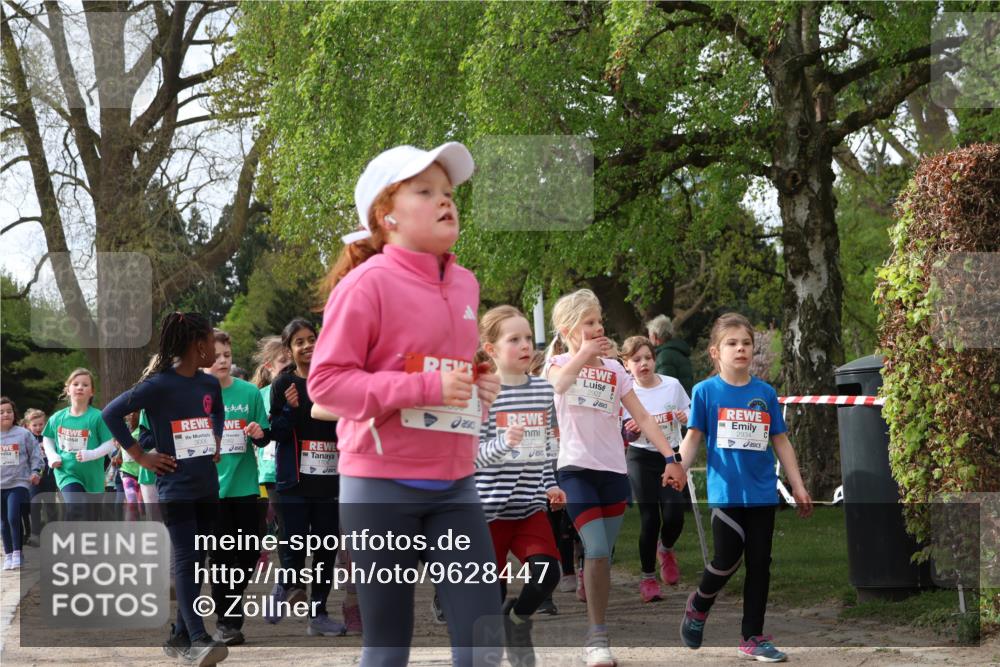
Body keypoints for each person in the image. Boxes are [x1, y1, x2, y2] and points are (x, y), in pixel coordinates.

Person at [307, 142, 504, 667]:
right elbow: (325, 385)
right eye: (425, 191)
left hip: (456, 484)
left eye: (448, 192)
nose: (445, 201)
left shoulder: (465, 283)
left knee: (484, 642)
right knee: (389, 648)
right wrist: (422, 390)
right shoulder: (364, 285)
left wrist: (478, 383)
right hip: (379, 486)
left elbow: (444, 369)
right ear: (386, 215)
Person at [544, 289, 686, 667]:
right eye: (589, 321)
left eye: (599, 320)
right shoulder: (557, 363)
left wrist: (671, 458)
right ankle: (597, 637)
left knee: (603, 554)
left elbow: (642, 418)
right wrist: (586, 353)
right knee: (595, 548)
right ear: (568, 328)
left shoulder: (615, 371)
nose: (598, 326)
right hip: (575, 470)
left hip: (613, 471)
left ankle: (599, 628)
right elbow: (558, 387)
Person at [677, 312, 813, 662]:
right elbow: (694, 437)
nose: (740, 349)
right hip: (725, 492)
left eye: (746, 343)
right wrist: (678, 467)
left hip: (762, 493)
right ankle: (699, 604)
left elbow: (781, 441)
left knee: (759, 564)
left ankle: (752, 636)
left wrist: (796, 485)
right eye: (732, 343)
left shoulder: (764, 393)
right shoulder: (705, 392)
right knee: (726, 558)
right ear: (715, 352)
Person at [101, 311, 229, 667]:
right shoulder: (158, 385)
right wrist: (141, 456)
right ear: (197, 344)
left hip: (207, 485)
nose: (216, 350)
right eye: (211, 342)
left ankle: (179, 634)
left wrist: (215, 438)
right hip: (175, 487)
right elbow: (110, 413)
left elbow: (215, 412)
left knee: (198, 561)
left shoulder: (208, 384)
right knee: (187, 560)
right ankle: (199, 638)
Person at [474, 305, 565, 667]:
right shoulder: (480, 393)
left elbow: (544, 448)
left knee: (548, 572)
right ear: (491, 349)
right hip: (486, 512)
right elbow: (469, 457)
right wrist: (502, 445)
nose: (525, 345)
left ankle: (517, 620)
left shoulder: (542, 390)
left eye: (528, 337)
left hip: (528, 507)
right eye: (514, 339)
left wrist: (550, 485)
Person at [267, 318, 346, 636]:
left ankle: (319, 613)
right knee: (295, 543)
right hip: (294, 480)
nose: (308, 345)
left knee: (326, 549)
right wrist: (290, 409)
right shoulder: (283, 385)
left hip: (329, 479)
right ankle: (286, 582)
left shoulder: (332, 381)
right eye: (299, 341)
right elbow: (278, 433)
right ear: (289, 349)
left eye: (312, 338)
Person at [203, 329, 271, 646]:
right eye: (215, 356)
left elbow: (265, 435)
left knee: (247, 554)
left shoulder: (249, 393)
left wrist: (259, 432)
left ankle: (230, 604)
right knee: (220, 559)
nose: (222, 361)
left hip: (245, 488)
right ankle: (228, 622)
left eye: (227, 356)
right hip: (210, 491)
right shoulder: (194, 396)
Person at [620, 336, 690, 601]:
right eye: (636, 360)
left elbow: (690, 411)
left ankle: (666, 548)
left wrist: (687, 416)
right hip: (640, 457)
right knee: (650, 518)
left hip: (671, 456)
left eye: (648, 358)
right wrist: (631, 432)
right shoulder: (627, 393)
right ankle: (648, 578)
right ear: (626, 365)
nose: (644, 364)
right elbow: (624, 432)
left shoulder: (671, 386)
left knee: (674, 515)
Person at [42, 369, 116, 521]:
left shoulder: (97, 417)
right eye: (75, 384)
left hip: (92, 475)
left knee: (90, 518)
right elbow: (47, 438)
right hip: (66, 471)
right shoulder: (58, 418)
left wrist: (92, 454)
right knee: (77, 506)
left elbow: (110, 444)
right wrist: (52, 456)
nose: (80, 387)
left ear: (92, 392)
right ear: (68, 389)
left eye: (85, 385)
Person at [1, 397, 43, 570]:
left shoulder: (23, 434)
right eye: (1, 412)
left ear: (14, 413)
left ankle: (18, 552)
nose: (6, 414)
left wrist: (35, 472)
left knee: (13, 516)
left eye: (9, 411)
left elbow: (36, 455)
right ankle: (8, 554)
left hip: (19, 482)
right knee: (3, 522)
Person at [647, 314, 694, 397]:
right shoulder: (679, 350)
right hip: (686, 401)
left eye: (649, 335)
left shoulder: (664, 356)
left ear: (654, 336)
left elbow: (664, 388)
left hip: (675, 406)